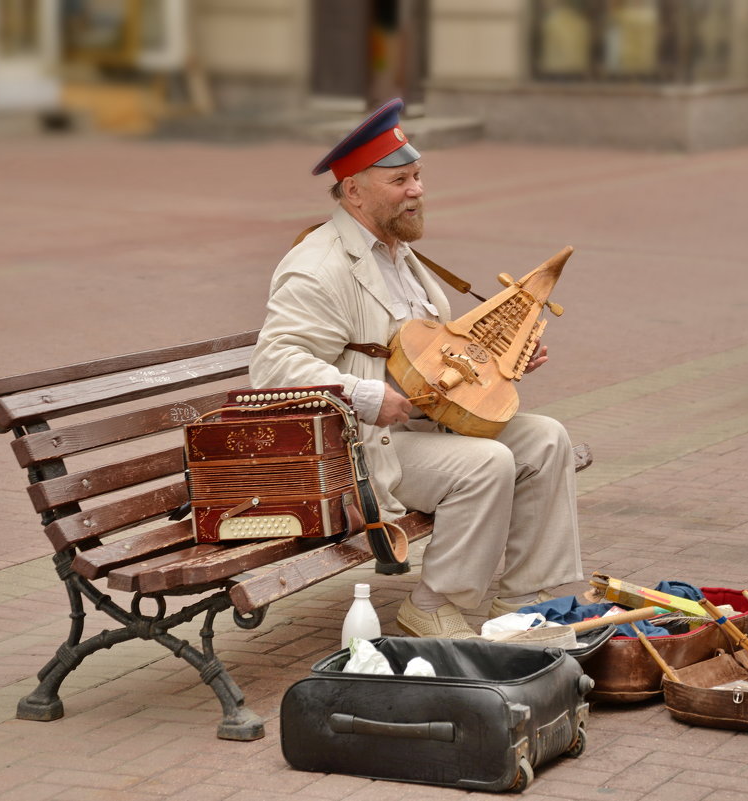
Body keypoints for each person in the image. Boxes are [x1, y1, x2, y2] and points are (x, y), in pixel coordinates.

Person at [249, 99, 584, 637]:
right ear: (354, 190)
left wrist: (502, 363)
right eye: (400, 179)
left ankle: (524, 598)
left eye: (419, 175)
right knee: (486, 462)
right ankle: (431, 604)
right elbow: (272, 366)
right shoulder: (318, 265)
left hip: (420, 430)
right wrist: (363, 394)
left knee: (547, 439)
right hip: (357, 445)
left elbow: (430, 353)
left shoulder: (399, 255)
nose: (417, 190)